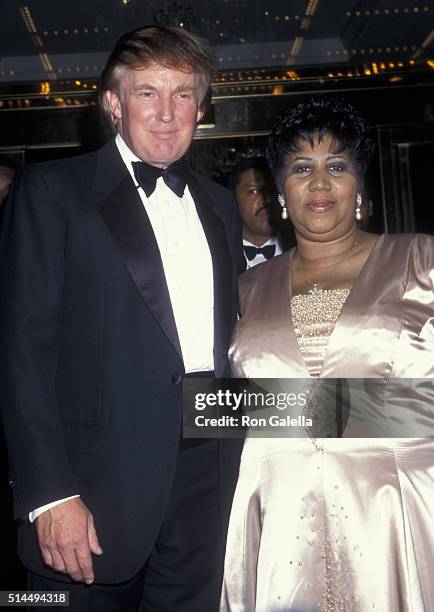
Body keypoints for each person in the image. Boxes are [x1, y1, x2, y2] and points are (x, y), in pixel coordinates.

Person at [0, 25, 243, 612]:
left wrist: (382, 409)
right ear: (113, 103)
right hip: (90, 497)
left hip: (208, 487)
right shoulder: (50, 191)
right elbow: (21, 352)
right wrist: (49, 495)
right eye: (147, 93)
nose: (166, 113)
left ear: (202, 107)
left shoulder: (220, 204)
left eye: (182, 94)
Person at [221, 97, 434, 611]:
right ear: (281, 193)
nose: (319, 183)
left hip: (395, 508)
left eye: (336, 167)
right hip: (277, 513)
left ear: (359, 186)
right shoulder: (244, 289)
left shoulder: (422, 259)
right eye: (301, 168)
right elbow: (222, 410)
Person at [229, 157, 284, 268]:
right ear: (232, 198)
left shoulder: (299, 248)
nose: (266, 199)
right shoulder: (219, 254)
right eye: (253, 191)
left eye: (272, 190)